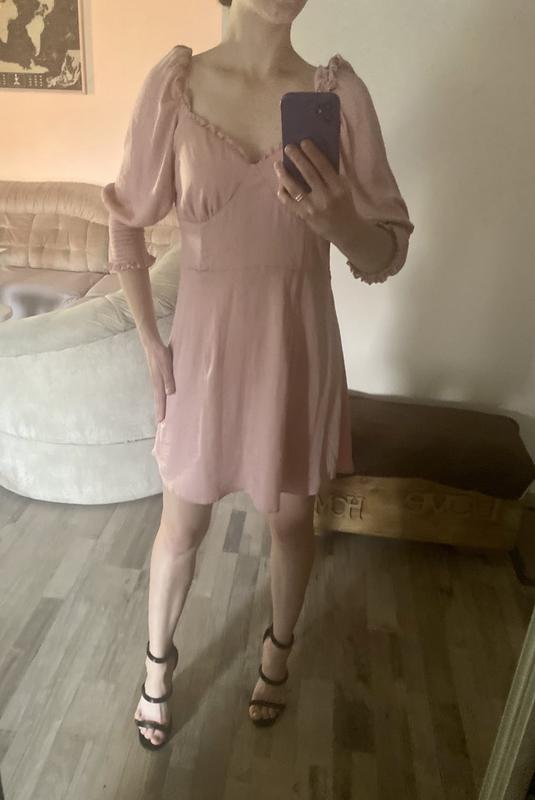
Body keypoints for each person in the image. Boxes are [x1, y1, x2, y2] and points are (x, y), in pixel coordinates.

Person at [101, 0, 415, 750]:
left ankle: (277, 652)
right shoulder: (175, 88)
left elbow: (385, 254)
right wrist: (150, 343)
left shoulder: (337, 96)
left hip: (295, 348)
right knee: (181, 524)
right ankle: (157, 663)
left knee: (289, 521)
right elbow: (125, 216)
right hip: (201, 355)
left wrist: (340, 223)